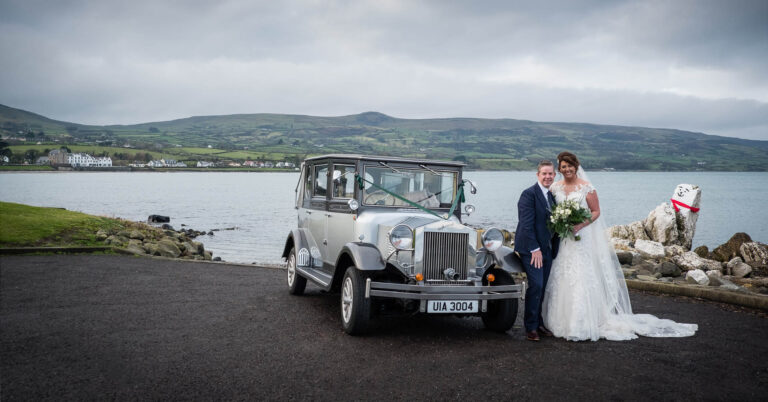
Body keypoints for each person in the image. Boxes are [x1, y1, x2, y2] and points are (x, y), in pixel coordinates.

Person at [542, 151, 697, 341]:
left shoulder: (586, 188)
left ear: (576, 166)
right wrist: (560, 223)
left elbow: (596, 211)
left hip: (581, 238)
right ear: (559, 169)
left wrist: (579, 225)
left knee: (581, 276)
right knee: (562, 276)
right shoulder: (555, 188)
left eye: (569, 166)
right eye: (563, 167)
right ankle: (558, 321)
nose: (566, 170)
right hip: (564, 240)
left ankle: (581, 323)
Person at [514, 160, 559, 341]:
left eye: (550, 174)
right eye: (544, 174)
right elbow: (526, 224)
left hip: (547, 250)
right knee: (537, 285)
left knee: (543, 287)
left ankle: (539, 323)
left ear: (554, 175)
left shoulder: (552, 197)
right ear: (538, 175)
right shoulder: (528, 194)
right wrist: (534, 249)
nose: (547, 177)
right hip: (531, 249)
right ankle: (530, 327)